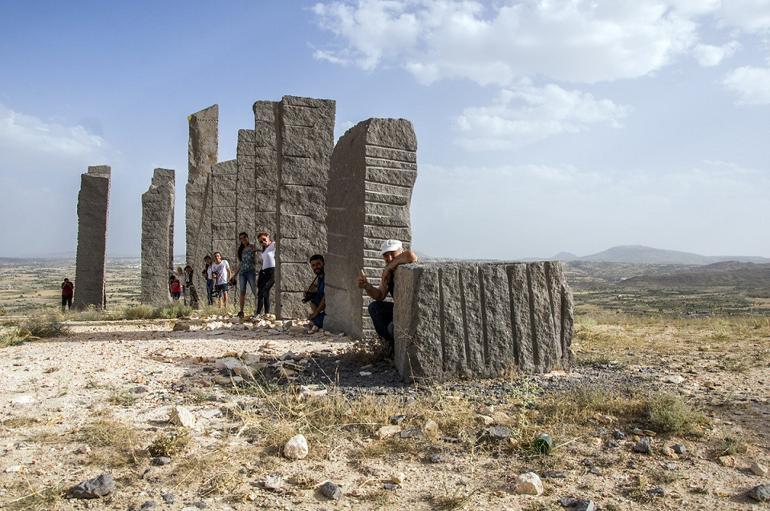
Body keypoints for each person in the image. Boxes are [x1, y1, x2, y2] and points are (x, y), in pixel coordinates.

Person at [357, 239, 417, 355]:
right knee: (374, 307)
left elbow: (411, 256)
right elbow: (380, 295)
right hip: (399, 309)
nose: (389, 258)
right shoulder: (389, 273)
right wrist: (366, 286)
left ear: (401, 251)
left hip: (412, 311)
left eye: (392, 253)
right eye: (385, 255)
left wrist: (388, 268)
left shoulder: (406, 264)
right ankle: (389, 347)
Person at [234, 232, 260, 318]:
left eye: (244, 237)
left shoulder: (252, 247)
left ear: (247, 237)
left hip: (250, 271)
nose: (243, 239)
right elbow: (240, 263)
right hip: (242, 273)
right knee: (242, 291)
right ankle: (241, 311)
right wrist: (234, 275)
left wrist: (256, 254)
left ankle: (258, 309)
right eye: (241, 238)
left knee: (254, 290)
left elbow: (256, 259)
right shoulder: (240, 250)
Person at [304, 254, 326, 333]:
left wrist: (315, 313)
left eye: (318, 264)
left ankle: (317, 320)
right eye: (313, 265)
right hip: (323, 309)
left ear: (323, 264)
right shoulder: (319, 277)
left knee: (317, 320)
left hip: (331, 308)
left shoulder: (328, 277)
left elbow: (325, 298)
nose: (316, 267)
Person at [255, 232, 276, 315]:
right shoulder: (264, 249)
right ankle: (266, 313)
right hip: (263, 271)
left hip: (272, 271)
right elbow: (265, 262)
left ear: (268, 237)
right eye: (260, 241)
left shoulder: (274, 244)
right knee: (263, 292)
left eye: (264, 239)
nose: (263, 242)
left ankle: (258, 313)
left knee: (264, 291)